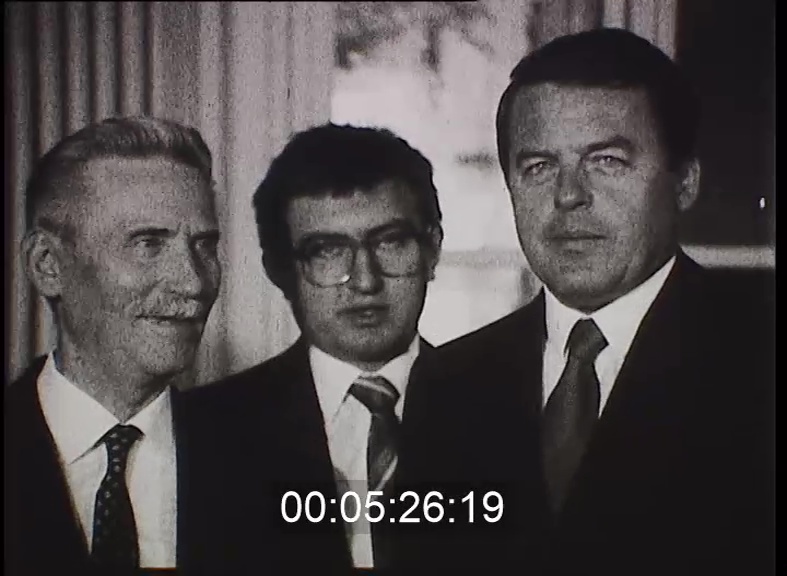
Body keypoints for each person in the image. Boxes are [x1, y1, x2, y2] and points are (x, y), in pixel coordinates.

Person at [428, 28, 774, 575]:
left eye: (607, 161)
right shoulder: (443, 386)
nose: (569, 195)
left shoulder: (758, 360)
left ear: (684, 183)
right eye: (538, 166)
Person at [186, 123, 444, 574]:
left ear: (432, 250)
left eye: (390, 242)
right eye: (326, 251)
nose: (365, 281)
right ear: (280, 271)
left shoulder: (506, 408)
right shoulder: (201, 432)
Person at [4, 116, 232, 573]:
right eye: (148, 244)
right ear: (48, 265)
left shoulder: (263, 460)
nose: (193, 282)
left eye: (204, 246)